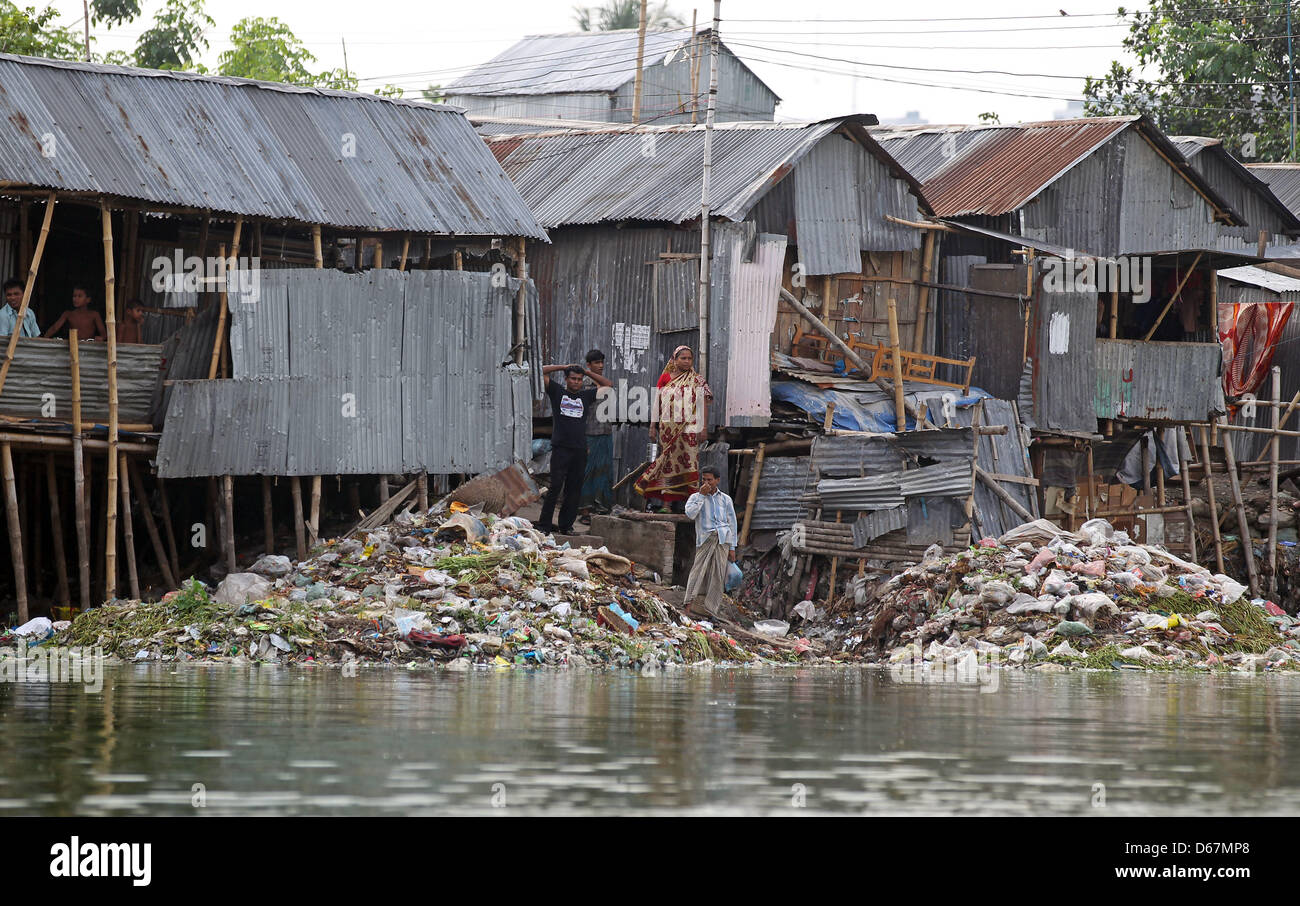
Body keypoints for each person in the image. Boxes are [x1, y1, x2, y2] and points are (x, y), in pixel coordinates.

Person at [635, 345, 713, 513]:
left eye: (689, 358)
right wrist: (652, 426)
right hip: (667, 429)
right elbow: (658, 404)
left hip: (690, 428)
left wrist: (704, 427)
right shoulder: (665, 379)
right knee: (668, 463)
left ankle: (691, 506)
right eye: (682, 358)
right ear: (675, 360)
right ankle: (666, 505)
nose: (686, 361)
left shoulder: (697, 380)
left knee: (690, 462)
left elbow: (703, 406)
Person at [538, 361, 612, 535]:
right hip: (560, 448)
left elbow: (608, 385)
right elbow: (540, 372)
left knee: (574, 489)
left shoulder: (586, 396)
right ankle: (544, 526)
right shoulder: (558, 392)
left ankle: (566, 526)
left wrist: (587, 372)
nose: (576, 382)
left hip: (580, 449)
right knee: (555, 486)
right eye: (573, 379)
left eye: (579, 379)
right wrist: (562, 367)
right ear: (566, 379)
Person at [682, 467, 738, 619]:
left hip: (723, 540)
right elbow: (691, 514)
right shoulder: (695, 497)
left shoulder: (726, 499)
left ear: (717, 480)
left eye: (710, 480)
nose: (706, 483)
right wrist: (701, 495)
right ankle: (688, 606)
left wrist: (732, 547)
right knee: (697, 572)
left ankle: (711, 611)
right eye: (704, 480)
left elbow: (731, 523)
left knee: (717, 576)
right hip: (705, 539)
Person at [579, 349, 614, 521]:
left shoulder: (604, 384)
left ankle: (601, 510)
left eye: (602, 362)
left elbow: (609, 384)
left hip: (605, 433)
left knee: (604, 472)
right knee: (587, 473)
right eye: (596, 363)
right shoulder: (582, 384)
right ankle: (585, 511)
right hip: (589, 435)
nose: (600, 366)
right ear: (588, 365)